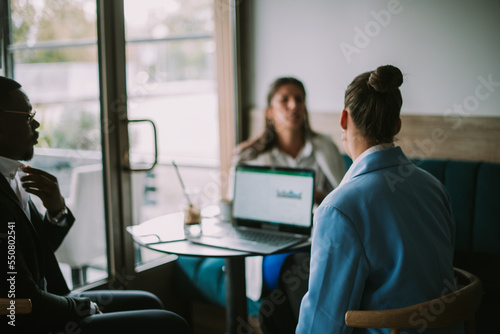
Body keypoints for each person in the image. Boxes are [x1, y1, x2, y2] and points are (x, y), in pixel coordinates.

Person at [0, 76, 190, 334]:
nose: (36, 123)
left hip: (49, 301)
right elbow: (22, 299)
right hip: (34, 321)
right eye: (26, 116)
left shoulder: (14, 177)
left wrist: (56, 210)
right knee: (171, 324)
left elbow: (38, 254)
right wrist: (82, 307)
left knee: (149, 301)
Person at [292, 65, 462, 333]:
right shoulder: (434, 187)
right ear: (397, 125)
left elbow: (322, 326)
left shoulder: (339, 209)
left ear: (344, 120)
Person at [235, 77, 346, 301]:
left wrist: (316, 196)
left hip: (319, 240)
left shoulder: (325, 147)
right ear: (269, 111)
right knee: (302, 267)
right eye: (284, 100)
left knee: (326, 262)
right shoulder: (250, 157)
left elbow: (346, 197)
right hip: (273, 247)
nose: (294, 105)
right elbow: (238, 211)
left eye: (299, 99)